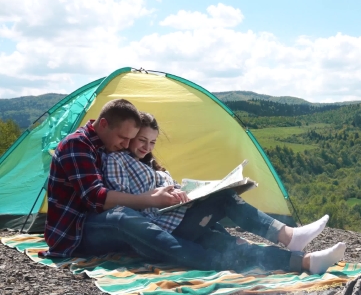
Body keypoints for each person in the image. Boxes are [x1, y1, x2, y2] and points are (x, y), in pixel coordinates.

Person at [43, 98, 345, 274]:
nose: (126, 145)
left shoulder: (109, 146)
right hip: (78, 232)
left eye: (132, 140)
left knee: (218, 220)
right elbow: (96, 199)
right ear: (104, 125)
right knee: (125, 218)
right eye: (126, 139)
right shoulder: (79, 146)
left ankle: (299, 255)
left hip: (125, 220)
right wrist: (152, 199)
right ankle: (212, 262)